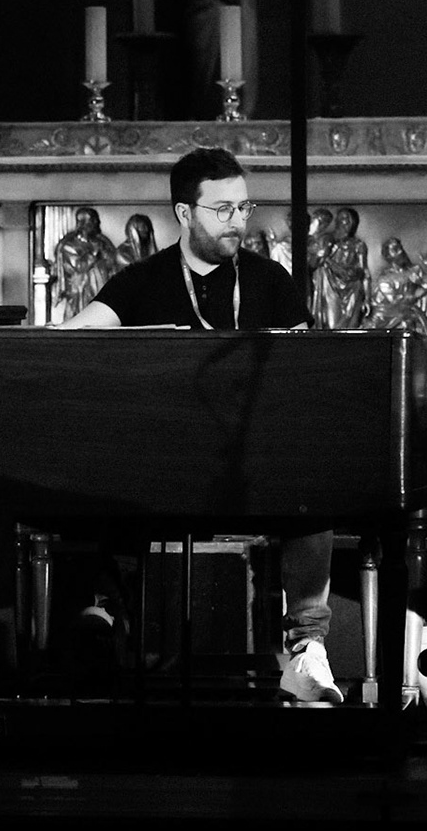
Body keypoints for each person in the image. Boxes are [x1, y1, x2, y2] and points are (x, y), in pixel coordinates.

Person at [58, 147, 340, 703]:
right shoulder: (142, 281)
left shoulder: (270, 279)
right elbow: (75, 338)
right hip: (163, 462)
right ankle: (104, 614)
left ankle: (306, 651)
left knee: (316, 477)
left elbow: (307, 369)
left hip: (256, 463)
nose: (239, 221)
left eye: (243, 207)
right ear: (185, 214)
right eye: (223, 209)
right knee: (106, 454)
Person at [50, 206, 120, 323]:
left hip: (101, 291)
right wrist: (94, 253)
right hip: (80, 292)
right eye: (93, 220)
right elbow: (79, 267)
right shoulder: (69, 246)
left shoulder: (102, 242)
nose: (97, 223)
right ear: (83, 223)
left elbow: (112, 264)